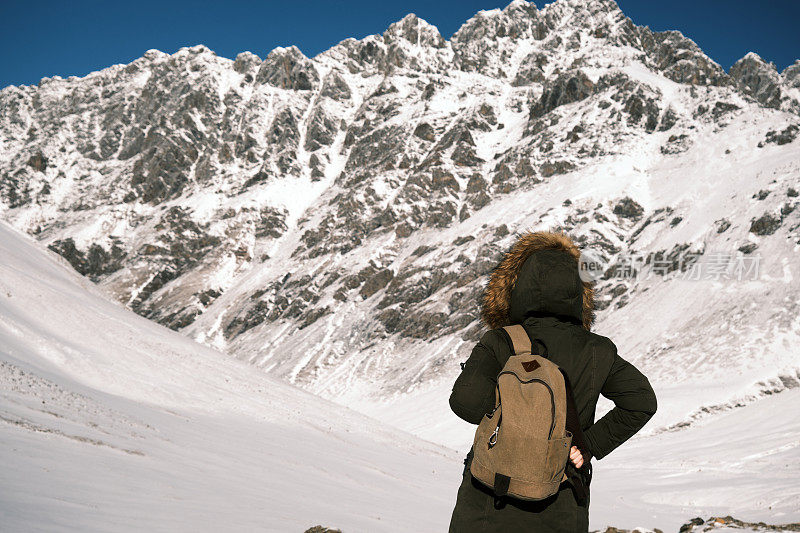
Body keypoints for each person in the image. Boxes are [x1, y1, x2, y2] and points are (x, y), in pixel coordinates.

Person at [447, 230, 658, 532]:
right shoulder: (597, 350)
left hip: (488, 499)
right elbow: (641, 401)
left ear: (518, 289)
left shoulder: (500, 341)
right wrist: (587, 446)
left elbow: (465, 403)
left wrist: (510, 409)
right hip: (561, 501)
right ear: (577, 293)